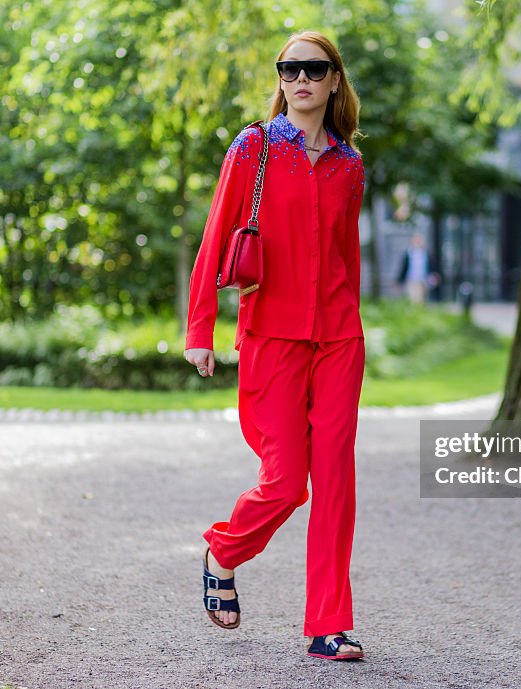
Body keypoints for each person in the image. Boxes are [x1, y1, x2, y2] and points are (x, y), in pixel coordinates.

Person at [183, 31, 366, 661]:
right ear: (281, 79)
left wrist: (355, 324)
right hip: (272, 336)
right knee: (287, 484)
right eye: (290, 69)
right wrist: (199, 331)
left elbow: (348, 258)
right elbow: (215, 241)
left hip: (340, 337)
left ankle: (326, 625)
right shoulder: (254, 148)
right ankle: (224, 549)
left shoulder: (348, 163)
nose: (301, 79)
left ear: (335, 80)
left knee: (336, 481)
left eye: (315, 69)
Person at [396, 232, 440, 304]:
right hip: (411, 280)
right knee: (413, 298)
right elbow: (404, 268)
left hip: (423, 280)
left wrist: (434, 275)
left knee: (422, 299)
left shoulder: (426, 254)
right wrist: (399, 280)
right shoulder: (408, 254)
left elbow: (431, 267)